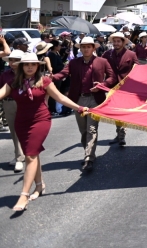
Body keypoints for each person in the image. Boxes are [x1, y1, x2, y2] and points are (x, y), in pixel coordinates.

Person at [0, 52, 89, 211]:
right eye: (26, 64)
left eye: (33, 64)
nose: (29, 67)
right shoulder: (13, 82)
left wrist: (79, 108)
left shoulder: (45, 81)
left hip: (40, 121)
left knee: (30, 155)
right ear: (21, 66)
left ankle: (23, 195)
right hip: (21, 123)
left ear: (37, 66)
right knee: (32, 154)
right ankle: (40, 185)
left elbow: (60, 98)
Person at [53, 37, 116, 172]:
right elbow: (62, 74)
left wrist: (102, 85)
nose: (86, 49)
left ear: (94, 48)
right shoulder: (73, 63)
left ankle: (89, 158)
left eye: (89, 46)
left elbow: (112, 77)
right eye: (83, 47)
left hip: (95, 99)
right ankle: (88, 151)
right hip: (78, 100)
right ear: (80, 48)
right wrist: (49, 78)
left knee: (91, 129)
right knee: (83, 131)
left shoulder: (102, 61)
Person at [102, 32, 139, 146]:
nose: (116, 43)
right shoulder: (107, 54)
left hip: (126, 87)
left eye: (118, 41)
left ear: (123, 42)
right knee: (115, 111)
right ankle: (119, 134)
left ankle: (121, 135)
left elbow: (138, 69)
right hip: (112, 86)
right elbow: (101, 68)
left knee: (122, 110)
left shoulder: (131, 54)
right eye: (114, 41)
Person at [1, 50, 26, 172]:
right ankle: (19, 155)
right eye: (11, 60)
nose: (12, 62)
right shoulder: (5, 75)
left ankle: (20, 156)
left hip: (23, 103)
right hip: (8, 103)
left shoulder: (27, 73)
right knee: (14, 131)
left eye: (15, 60)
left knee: (23, 130)